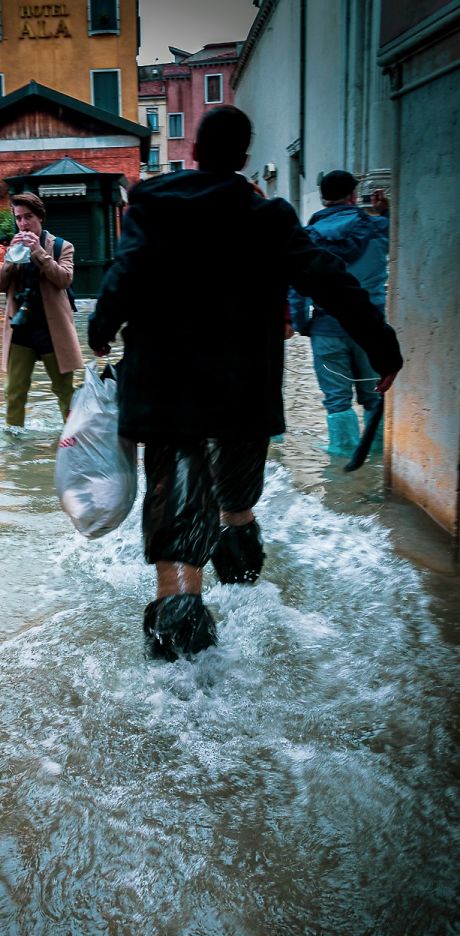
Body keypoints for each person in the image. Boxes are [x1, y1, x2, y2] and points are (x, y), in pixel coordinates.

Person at [87, 106, 403, 661]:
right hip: (241, 388)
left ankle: (179, 603)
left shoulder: (152, 206)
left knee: (176, 488)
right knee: (236, 497)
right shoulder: (269, 217)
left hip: (165, 386)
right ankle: (243, 574)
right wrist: (382, 346)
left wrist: (100, 328)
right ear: (244, 158)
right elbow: (329, 278)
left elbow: (125, 275)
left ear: (194, 154)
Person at [288, 170, 391, 455]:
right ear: (354, 196)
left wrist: (302, 323)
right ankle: (378, 457)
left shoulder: (307, 237)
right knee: (375, 395)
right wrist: (386, 212)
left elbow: (295, 286)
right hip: (370, 328)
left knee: (336, 401)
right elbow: (404, 238)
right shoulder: (378, 227)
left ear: (322, 198)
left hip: (326, 328)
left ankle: (341, 463)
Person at [0, 192, 83, 428]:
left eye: (28, 217)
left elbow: (65, 279)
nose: (23, 224)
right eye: (19, 218)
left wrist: (39, 252)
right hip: (20, 330)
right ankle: (14, 452)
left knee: (65, 391)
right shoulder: (11, 248)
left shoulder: (62, 246)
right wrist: (11, 259)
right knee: (14, 392)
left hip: (53, 331)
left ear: (40, 217)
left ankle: (72, 441)